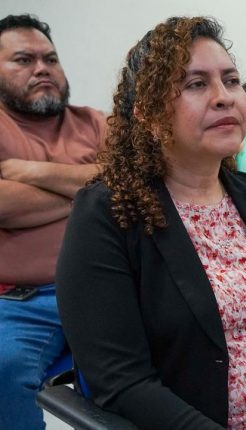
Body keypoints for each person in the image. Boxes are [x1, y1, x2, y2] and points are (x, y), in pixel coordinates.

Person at [56, 17, 246, 429]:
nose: (225, 98)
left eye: (231, 81)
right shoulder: (110, 212)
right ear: (148, 114)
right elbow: (121, 380)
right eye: (196, 84)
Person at [0, 14, 105, 429]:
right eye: (23, 60)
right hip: (23, 301)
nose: (42, 68)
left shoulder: (96, 123)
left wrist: (31, 172)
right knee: (4, 365)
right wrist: (91, 189)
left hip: (113, 287)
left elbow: (134, 183)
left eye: (51, 59)